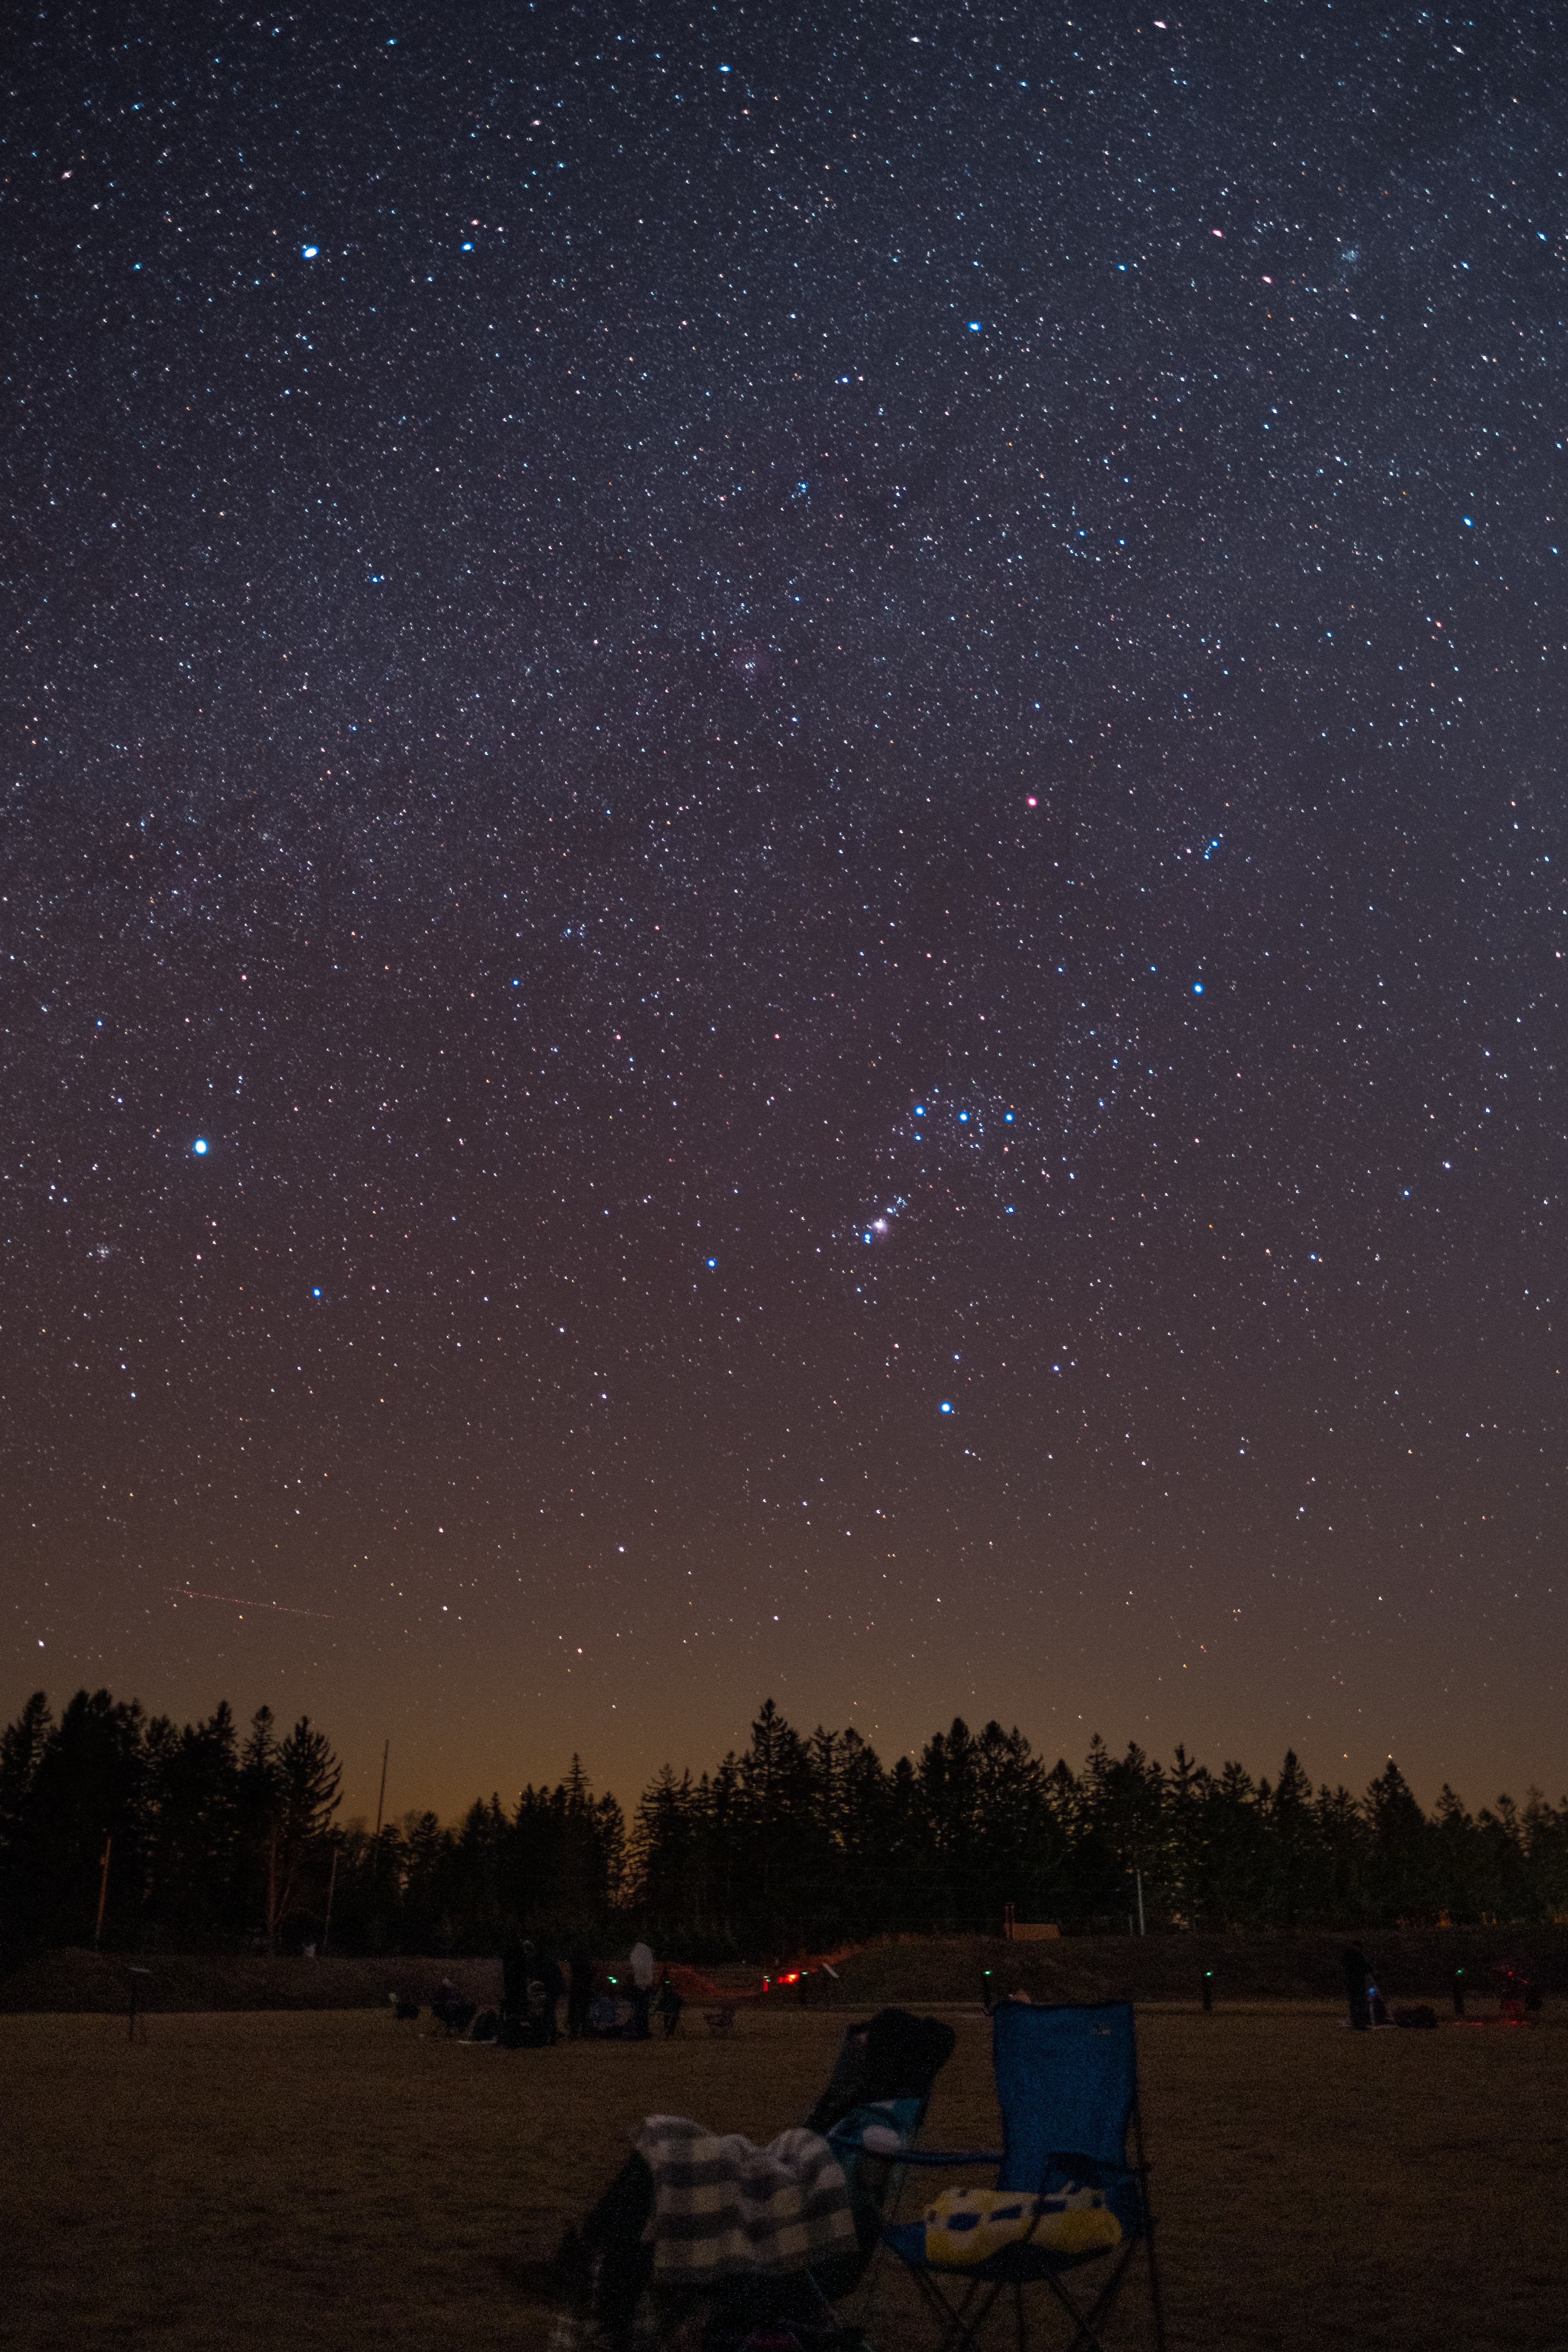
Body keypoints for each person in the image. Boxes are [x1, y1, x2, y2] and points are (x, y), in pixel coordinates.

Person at [628, 1939, 656, 2040]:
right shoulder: (643, 1951)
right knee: (642, 2010)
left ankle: (639, 2030)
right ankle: (641, 2031)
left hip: (639, 1985)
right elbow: (645, 1969)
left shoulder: (638, 1951)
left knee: (639, 2010)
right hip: (642, 1986)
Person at [1341, 1944, 1372, 2032]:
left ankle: (1356, 2021)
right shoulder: (1358, 1957)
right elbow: (1367, 1967)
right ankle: (1361, 2023)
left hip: (1351, 1983)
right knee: (1361, 2002)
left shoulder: (1347, 1958)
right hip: (1358, 1983)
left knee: (1354, 2003)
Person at [567, 1948, 595, 2039]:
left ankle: (574, 2032)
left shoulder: (576, 1966)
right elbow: (590, 1977)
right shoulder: (586, 1967)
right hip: (584, 1990)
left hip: (577, 1989)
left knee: (575, 2010)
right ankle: (584, 2031)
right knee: (583, 2010)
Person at [656, 1972, 684, 2039]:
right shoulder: (667, 1985)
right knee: (668, 2018)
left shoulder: (673, 1994)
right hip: (669, 2009)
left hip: (672, 2009)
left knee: (671, 2018)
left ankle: (670, 2032)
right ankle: (669, 2032)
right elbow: (667, 1983)